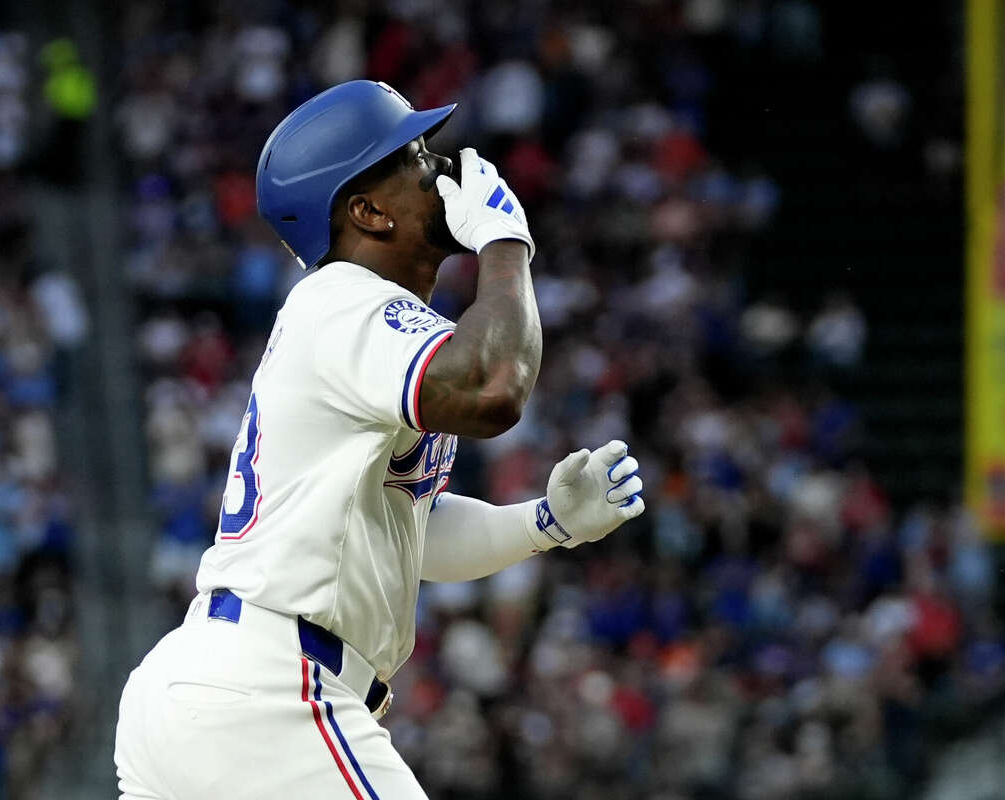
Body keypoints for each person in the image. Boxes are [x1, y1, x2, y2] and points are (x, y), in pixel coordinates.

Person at [113, 79, 646, 800]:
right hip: (270, 690)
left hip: (216, 689)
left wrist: (540, 525)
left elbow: (408, 531)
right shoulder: (344, 300)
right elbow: (495, 387)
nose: (440, 169)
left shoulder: (350, 323)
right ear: (366, 211)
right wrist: (505, 240)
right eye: (413, 157)